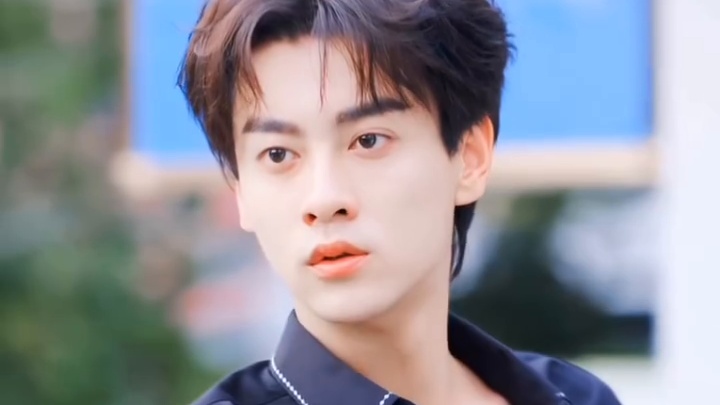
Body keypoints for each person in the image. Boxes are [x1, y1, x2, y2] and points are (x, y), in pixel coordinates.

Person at [178, 0, 622, 404]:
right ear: (241, 190)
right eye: (278, 154)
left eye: (368, 140)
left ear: (470, 157)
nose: (324, 200)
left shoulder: (576, 397)